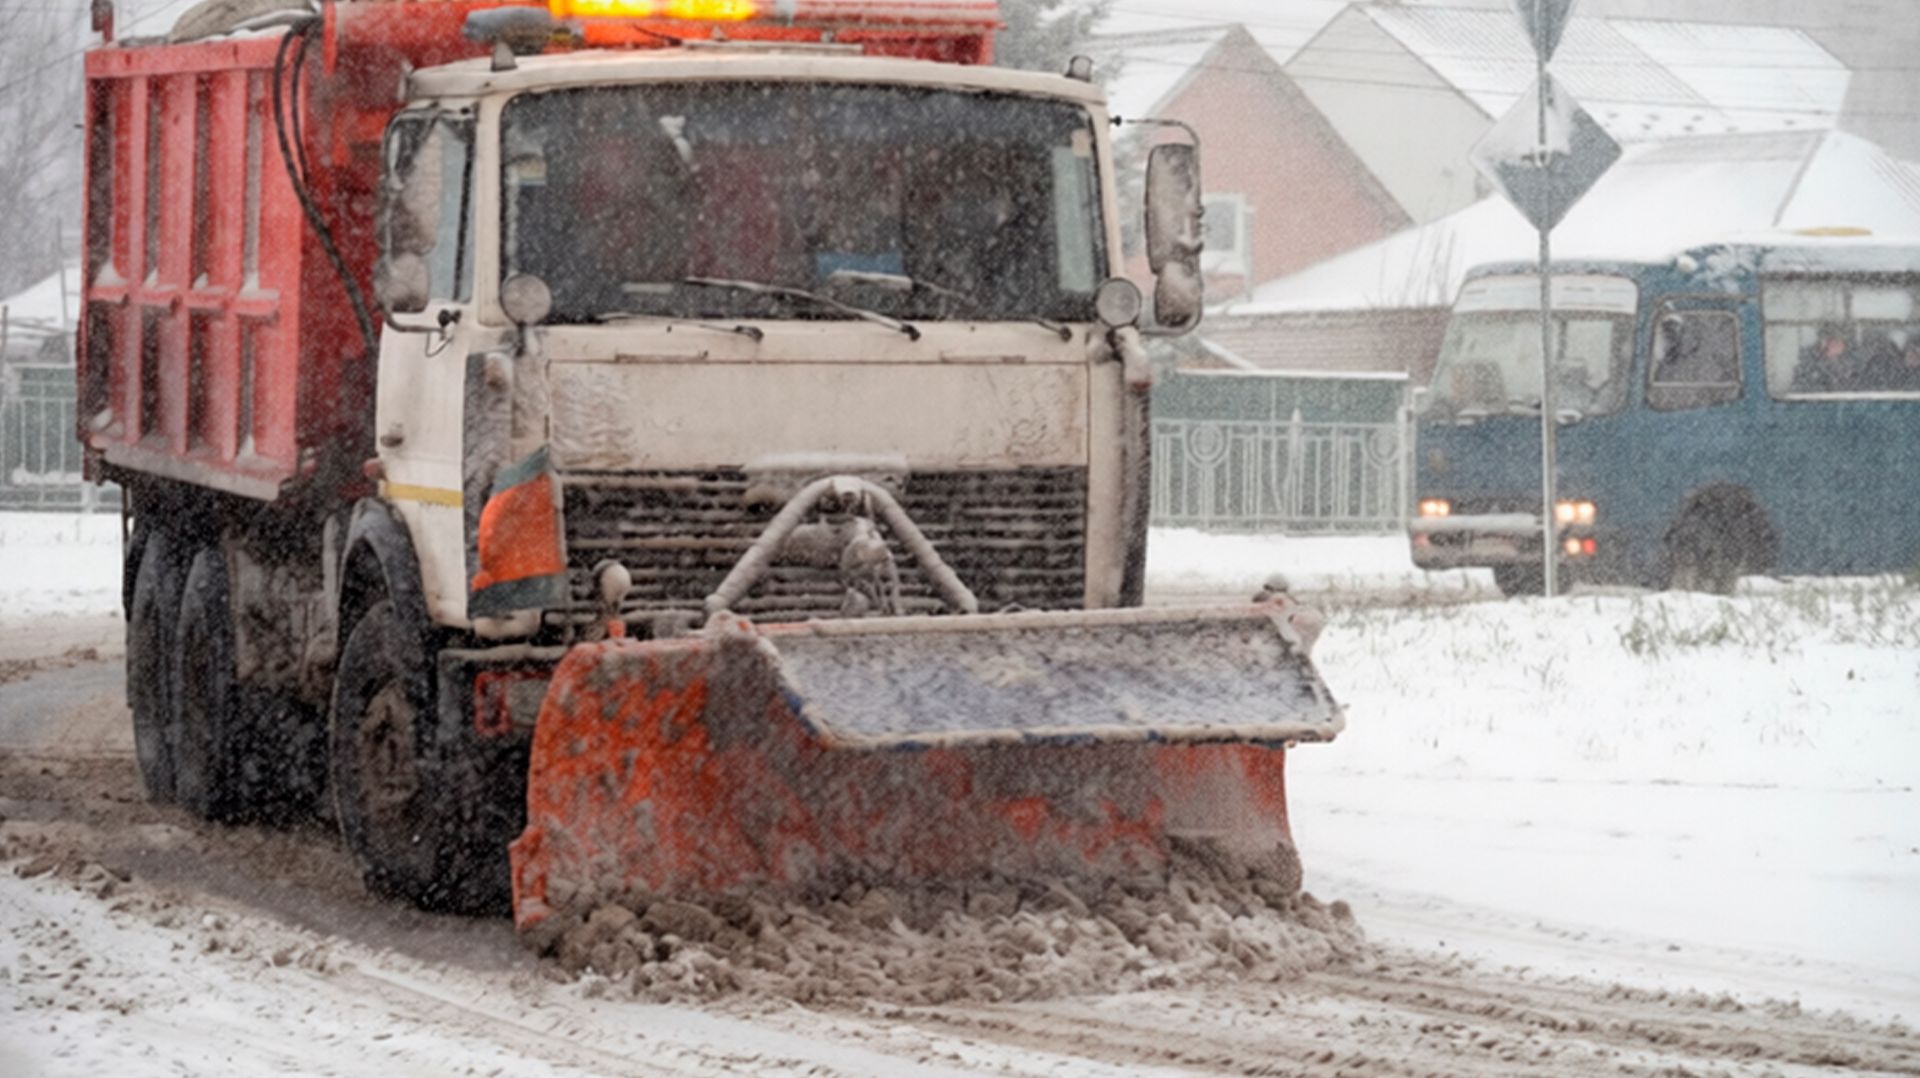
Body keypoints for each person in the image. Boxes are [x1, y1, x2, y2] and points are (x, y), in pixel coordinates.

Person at [1790, 322, 1862, 393]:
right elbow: (1798, 390)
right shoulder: (1807, 364)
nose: (1830, 344)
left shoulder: (1856, 366)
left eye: (1836, 341)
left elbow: (1860, 391)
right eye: (1827, 339)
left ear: (1845, 344)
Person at [1862, 327, 1920, 392]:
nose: (1913, 356)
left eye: (1917, 355)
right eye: (1911, 352)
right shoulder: (1883, 366)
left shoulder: (1909, 374)